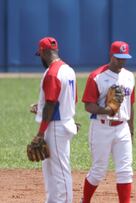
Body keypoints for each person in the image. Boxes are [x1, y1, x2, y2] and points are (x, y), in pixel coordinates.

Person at [81, 41, 135, 203]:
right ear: (111, 56)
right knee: (98, 171)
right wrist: (106, 110)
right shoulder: (97, 76)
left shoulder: (129, 76)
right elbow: (88, 105)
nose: (122, 61)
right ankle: (85, 200)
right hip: (101, 127)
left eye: (124, 58)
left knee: (125, 170)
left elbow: (130, 105)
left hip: (122, 128)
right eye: (118, 58)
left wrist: (131, 130)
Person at [31, 36, 78, 202]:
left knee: (59, 171)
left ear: (43, 52)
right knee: (50, 170)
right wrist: (40, 107)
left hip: (55, 126)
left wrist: (39, 133)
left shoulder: (52, 73)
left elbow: (51, 104)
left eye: (40, 55)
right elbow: (69, 99)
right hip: (62, 122)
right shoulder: (68, 69)